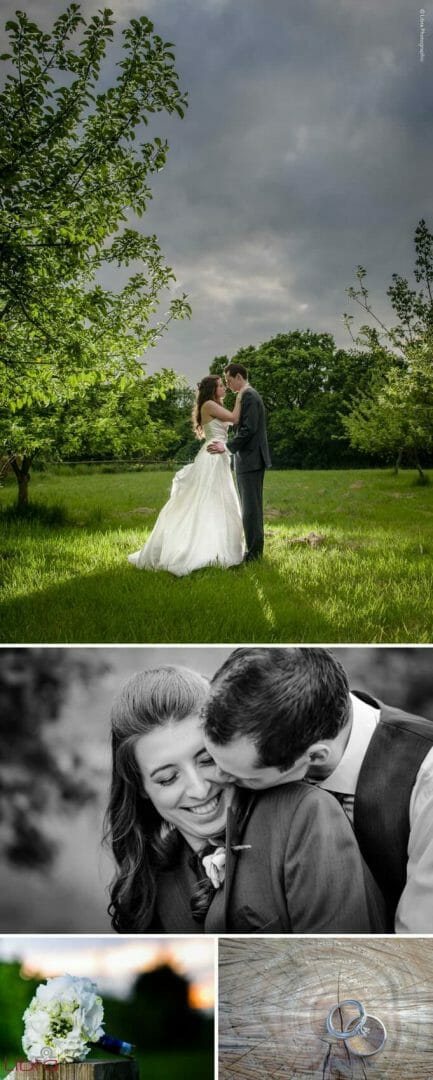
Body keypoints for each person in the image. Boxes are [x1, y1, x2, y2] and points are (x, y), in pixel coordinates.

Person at [106, 664, 386, 933]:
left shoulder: (304, 815)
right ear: (141, 787)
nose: (199, 790)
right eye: (167, 778)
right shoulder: (154, 880)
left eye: (207, 760)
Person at [203, 647, 433, 932]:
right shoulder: (267, 745)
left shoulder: (426, 779)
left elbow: (420, 938)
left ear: (314, 757)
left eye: (241, 778)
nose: (216, 777)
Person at [127, 375, 245, 575]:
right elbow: (234, 418)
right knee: (207, 500)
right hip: (213, 456)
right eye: (220, 386)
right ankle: (197, 548)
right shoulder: (208, 404)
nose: (224, 388)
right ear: (211, 389)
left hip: (219, 454)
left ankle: (216, 544)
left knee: (218, 501)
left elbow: (230, 421)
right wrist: (241, 394)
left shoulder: (213, 405)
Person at [207, 363, 271, 562]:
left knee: (250, 509)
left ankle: (253, 555)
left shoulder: (249, 395)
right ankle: (254, 552)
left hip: (251, 460)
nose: (227, 384)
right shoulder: (245, 396)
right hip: (250, 460)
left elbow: (248, 430)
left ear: (238, 377)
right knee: (251, 507)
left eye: (228, 380)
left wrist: (226, 447)